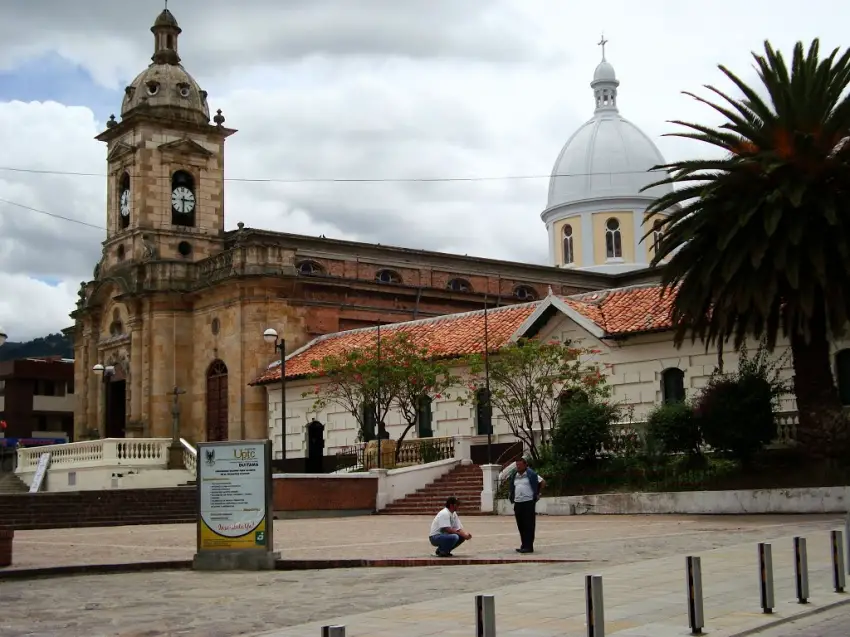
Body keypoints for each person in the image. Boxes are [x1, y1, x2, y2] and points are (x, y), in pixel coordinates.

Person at [508, 457, 545, 553]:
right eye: (517, 465)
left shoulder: (531, 474)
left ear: (525, 465)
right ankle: (524, 544)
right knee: (521, 525)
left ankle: (529, 546)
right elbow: (512, 487)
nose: (518, 467)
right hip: (518, 502)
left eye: (520, 465)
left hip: (528, 502)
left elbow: (542, 482)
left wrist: (538, 493)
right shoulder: (514, 475)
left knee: (529, 525)